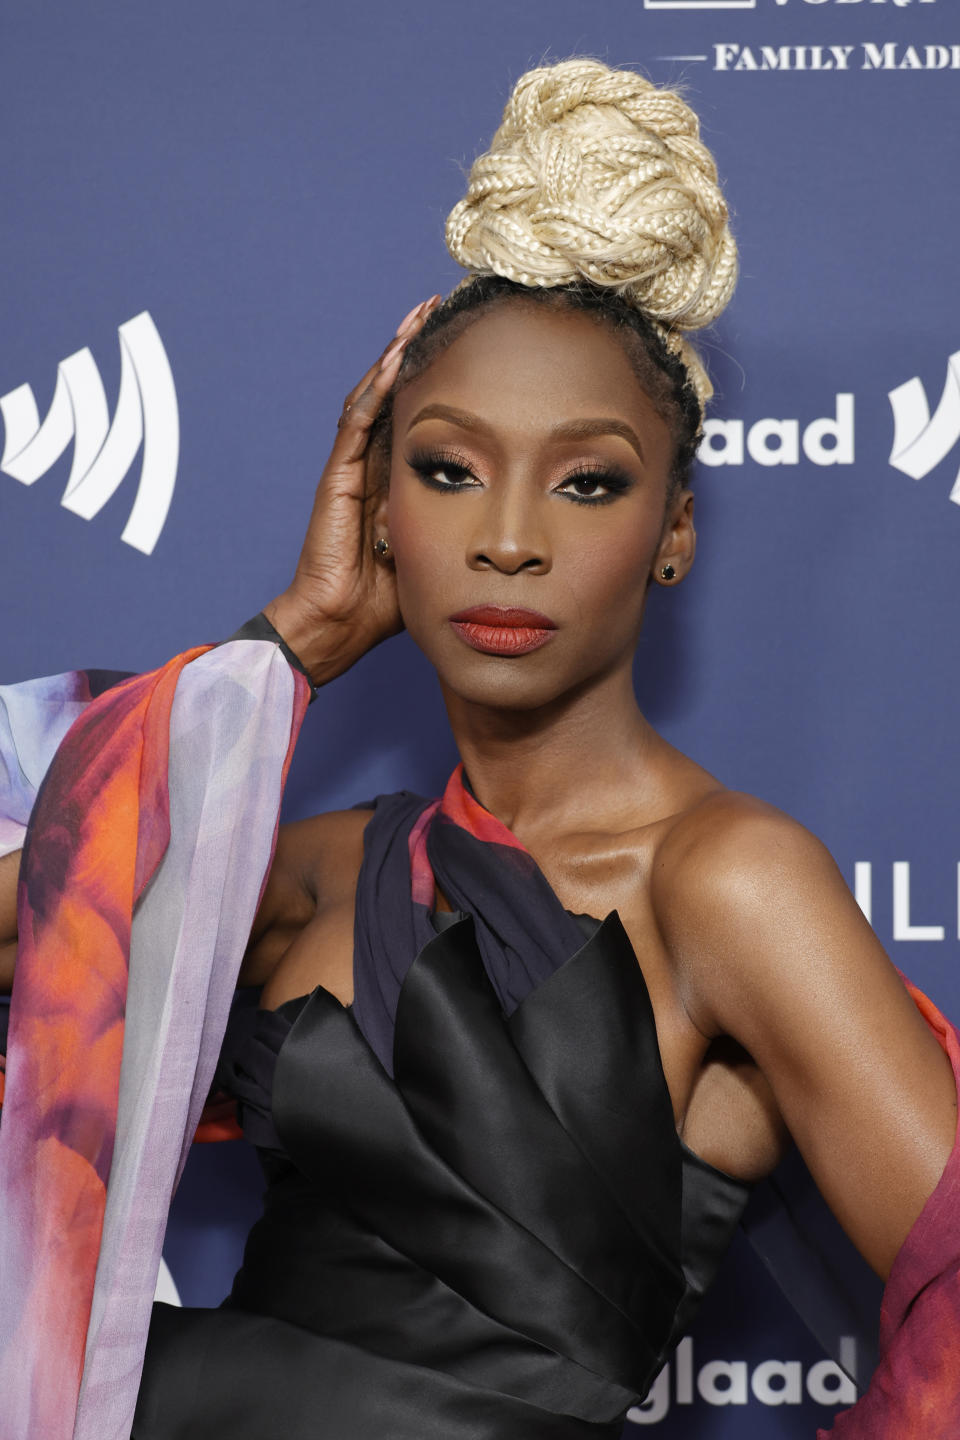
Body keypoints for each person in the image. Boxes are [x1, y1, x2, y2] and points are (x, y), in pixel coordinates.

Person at [0, 57, 958, 1440]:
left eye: (588, 480)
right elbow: (41, 936)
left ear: (674, 530)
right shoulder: (300, 880)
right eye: (448, 468)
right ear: (376, 505)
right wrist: (291, 646)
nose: (509, 536)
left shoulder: (729, 884)